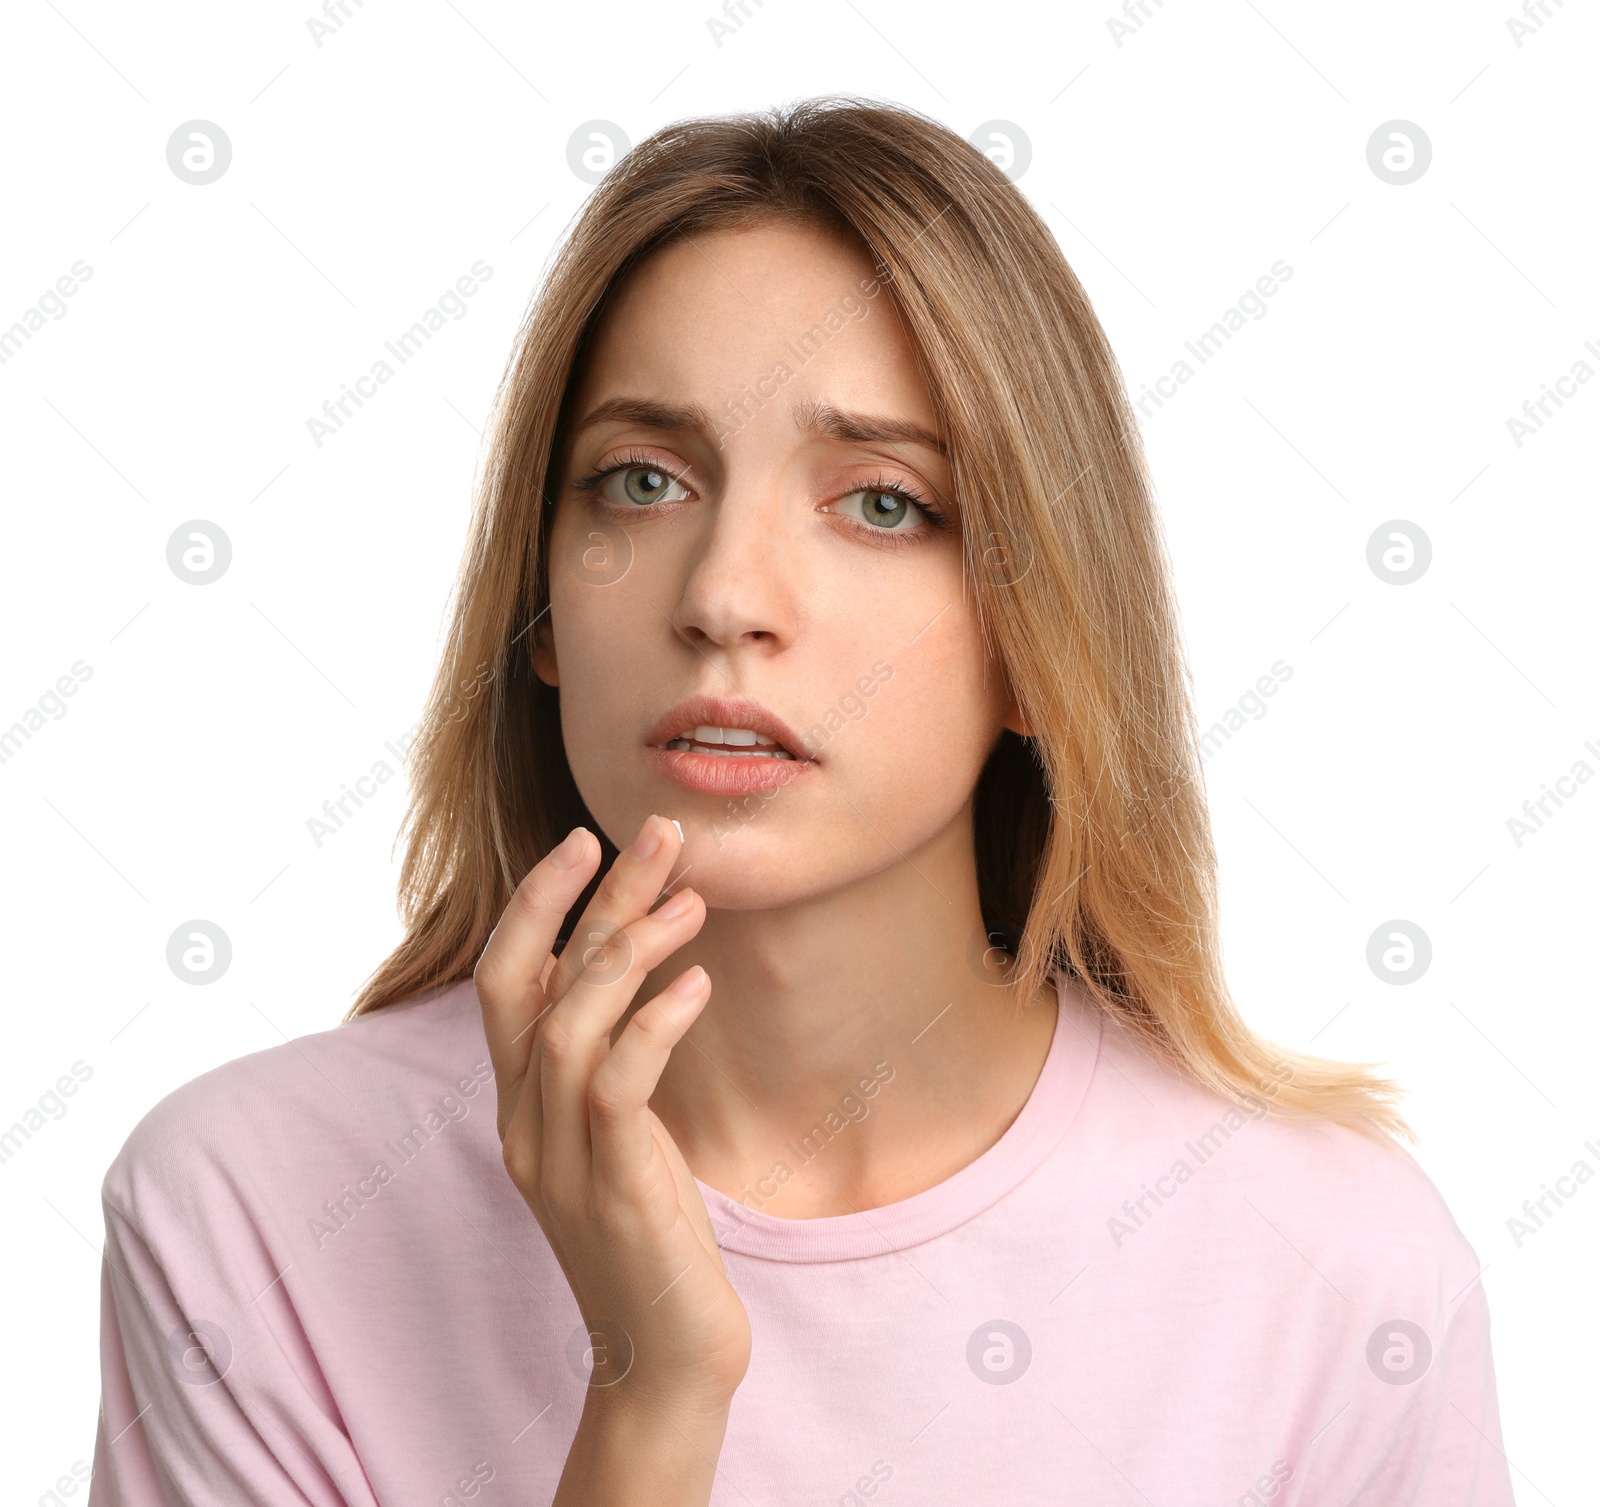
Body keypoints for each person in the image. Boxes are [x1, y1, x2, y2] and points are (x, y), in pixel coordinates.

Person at [88, 95, 1516, 1506]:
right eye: (641, 482)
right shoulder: (248, 1215)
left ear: (1040, 640)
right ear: (540, 608)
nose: (722, 597)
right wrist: (653, 1392)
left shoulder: (1336, 1276)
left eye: (884, 501)